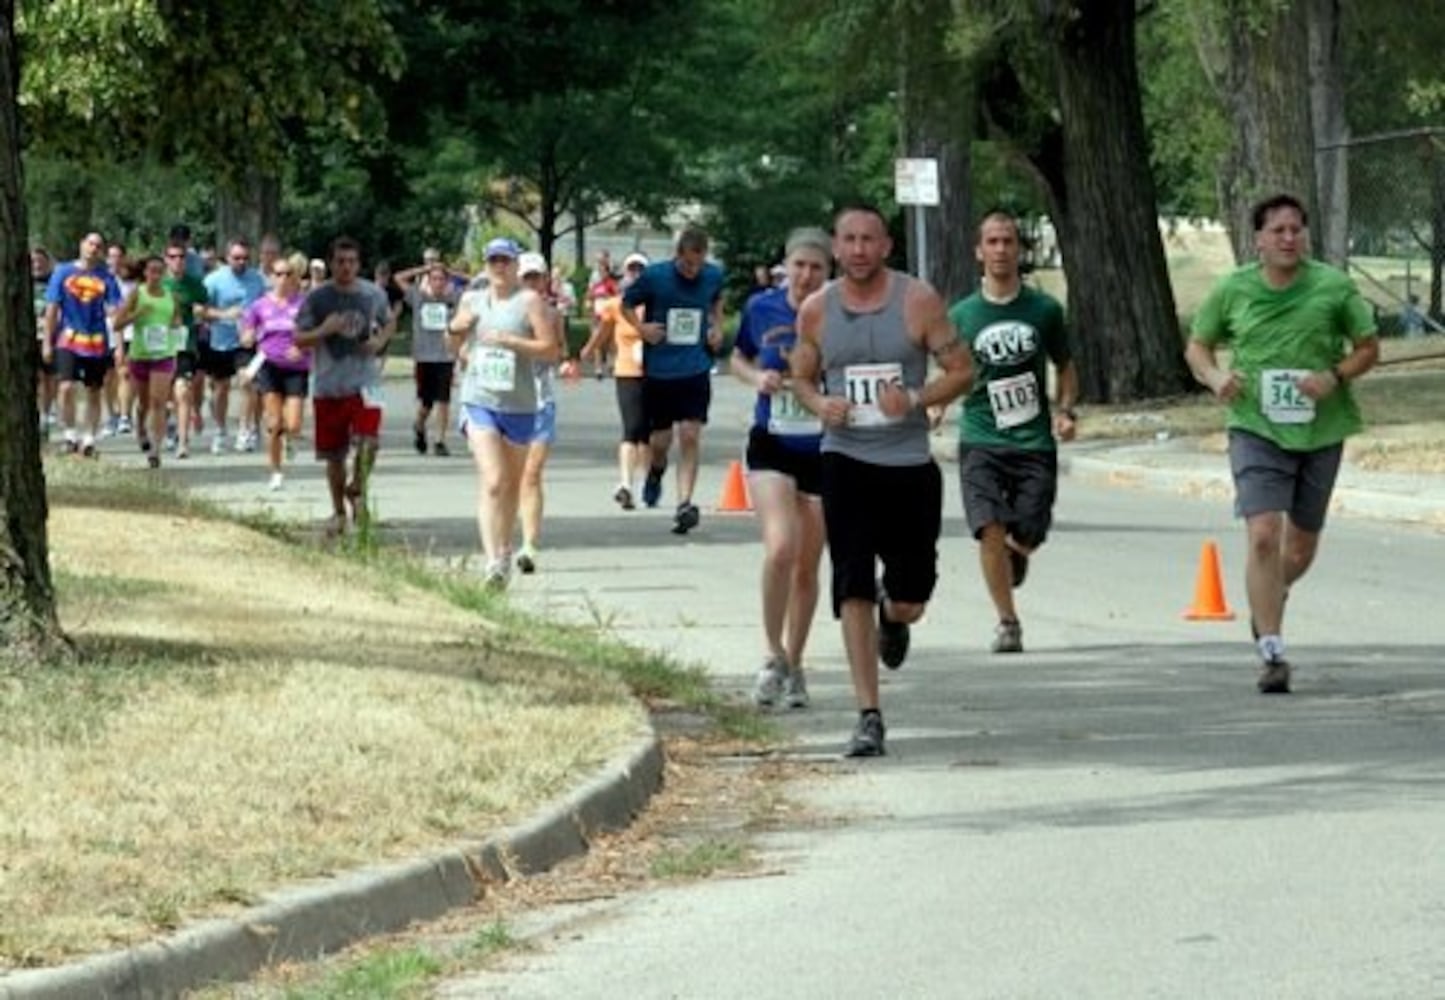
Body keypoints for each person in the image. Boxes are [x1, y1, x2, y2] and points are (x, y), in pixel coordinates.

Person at [791, 204, 972, 757]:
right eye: (849, 240)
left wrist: (915, 398)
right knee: (851, 581)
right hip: (845, 459)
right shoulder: (817, 311)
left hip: (907, 465)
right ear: (836, 249)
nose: (859, 249)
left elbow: (963, 369)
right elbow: (800, 376)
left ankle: (896, 615)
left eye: (869, 239)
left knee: (912, 594)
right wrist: (821, 402)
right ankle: (869, 714)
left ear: (886, 246)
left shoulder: (917, 301)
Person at [1185, 192, 1379, 695]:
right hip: (1255, 426)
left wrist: (1334, 375)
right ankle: (1271, 649)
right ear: (1258, 240)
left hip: (1321, 429)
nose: (1289, 238)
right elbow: (1197, 345)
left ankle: (1272, 593)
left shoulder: (1333, 287)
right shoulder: (1233, 290)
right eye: (1278, 231)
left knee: (1302, 543)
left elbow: (1368, 348)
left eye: (1297, 230)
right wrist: (1214, 377)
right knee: (1265, 534)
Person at [949, 210, 1079, 654]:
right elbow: (951, 371)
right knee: (988, 527)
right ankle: (1008, 621)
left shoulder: (1044, 310)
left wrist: (1065, 410)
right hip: (980, 437)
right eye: (993, 241)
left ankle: (1018, 552)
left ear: (1018, 250)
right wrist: (934, 407)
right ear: (979, 251)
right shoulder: (962, 315)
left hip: (1033, 441)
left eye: (1008, 241)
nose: (1001, 249)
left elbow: (1065, 365)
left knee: (1028, 530)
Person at [730, 228, 832, 710]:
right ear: (785, 267)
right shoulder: (761, 308)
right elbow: (737, 359)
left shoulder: (842, 312)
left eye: (817, 267)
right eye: (800, 266)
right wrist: (759, 377)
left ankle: (795, 660)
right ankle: (771, 654)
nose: (807, 276)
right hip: (772, 441)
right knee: (781, 548)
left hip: (825, 448)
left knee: (808, 566)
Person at [447, 237, 560, 588]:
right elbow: (453, 346)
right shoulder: (472, 300)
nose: (499, 266)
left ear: (514, 265)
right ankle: (493, 560)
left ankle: (506, 547)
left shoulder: (529, 302)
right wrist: (457, 328)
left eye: (505, 261)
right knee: (493, 479)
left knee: (510, 483)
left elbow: (550, 350)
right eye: (493, 260)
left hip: (521, 405)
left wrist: (514, 343)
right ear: (485, 264)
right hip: (479, 399)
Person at [620, 226, 725, 535]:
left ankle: (685, 504)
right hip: (660, 370)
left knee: (691, 434)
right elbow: (625, 304)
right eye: (688, 264)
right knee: (660, 442)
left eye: (699, 263)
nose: (693, 271)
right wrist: (642, 329)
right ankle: (655, 470)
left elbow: (717, 301)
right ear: (677, 255)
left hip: (695, 368)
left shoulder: (712, 275)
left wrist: (716, 327)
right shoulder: (655, 276)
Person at [294, 236, 395, 538]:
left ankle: (357, 487)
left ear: (359, 264)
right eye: (340, 262)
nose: (346, 267)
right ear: (331, 264)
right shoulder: (318, 298)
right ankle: (339, 512)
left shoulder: (372, 294)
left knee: (371, 441)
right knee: (334, 455)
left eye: (352, 262)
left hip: (367, 382)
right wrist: (324, 330)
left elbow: (389, 321)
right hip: (329, 384)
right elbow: (298, 338)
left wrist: (379, 341)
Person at [42, 232, 123, 457]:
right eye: (90, 243)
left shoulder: (106, 277)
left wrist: (119, 347)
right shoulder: (63, 272)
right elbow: (52, 309)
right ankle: (69, 433)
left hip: (96, 341)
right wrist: (47, 342)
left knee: (93, 390)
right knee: (65, 387)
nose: (93, 248)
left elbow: (115, 313)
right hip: (68, 338)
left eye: (98, 245)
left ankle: (89, 438)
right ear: (81, 245)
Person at [581, 252, 650, 508]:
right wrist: (587, 351)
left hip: (655, 374)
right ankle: (626, 484)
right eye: (632, 270)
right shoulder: (616, 305)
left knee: (648, 432)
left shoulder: (658, 305)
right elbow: (604, 332)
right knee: (631, 428)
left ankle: (647, 483)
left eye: (640, 270)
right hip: (627, 372)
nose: (635, 275)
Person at [516, 251, 568, 573]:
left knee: (532, 474)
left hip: (540, 402)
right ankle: (502, 541)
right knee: (507, 477)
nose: (533, 283)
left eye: (538, 277)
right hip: (508, 403)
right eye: (527, 278)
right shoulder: (500, 313)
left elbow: (558, 350)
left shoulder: (552, 314)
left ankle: (529, 546)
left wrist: (559, 357)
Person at [243, 252, 311, 490]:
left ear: (295, 277)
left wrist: (303, 348)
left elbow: (317, 335)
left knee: (292, 424)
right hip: (269, 365)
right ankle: (276, 471)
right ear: (271, 277)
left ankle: (291, 439)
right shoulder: (259, 305)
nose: (283, 278)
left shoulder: (304, 304)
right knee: (274, 423)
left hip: (296, 368)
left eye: (288, 274)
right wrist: (248, 337)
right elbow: (246, 334)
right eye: (278, 274)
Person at [111, 255, 183, 469]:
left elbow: (177, 320)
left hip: (164, 354)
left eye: (160, 272)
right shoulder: (137, 294)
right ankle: (141, 428)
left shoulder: (171, 295)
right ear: (145, 273)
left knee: (158, 402)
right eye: (152, 271)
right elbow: (117, 324)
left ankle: (156, 448)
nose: (155, 276)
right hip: (141, 355)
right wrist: (136, 315)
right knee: (143, 403)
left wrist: (175, 326)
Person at [200, 238, 266, 453]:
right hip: (220, 341)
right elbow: (200, 311)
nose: (241, 262)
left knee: (248, 382)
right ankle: (220, 429)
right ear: (227, 258)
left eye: (245, 258)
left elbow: (266, 310)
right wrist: (223, 314)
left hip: (245, 342)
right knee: (221, 388)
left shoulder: (257, 280)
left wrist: (256, 331)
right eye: (237, 258)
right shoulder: (213, 280)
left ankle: (245, 429)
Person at [396, 260, 461, 456]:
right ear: (428, 281)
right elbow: (398, 278)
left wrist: (451, 270)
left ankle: (440, 440)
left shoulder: (454, 298)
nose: (438, 282)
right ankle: (419, 425)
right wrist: (424, 268)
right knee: (426, 402)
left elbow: (477, 283)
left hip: (445, 356)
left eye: (442, 279)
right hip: (424, 356)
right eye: (434, 279)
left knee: (444, 399)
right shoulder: (418, 297)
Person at [162, 239, 208, 459]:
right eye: (173, 257)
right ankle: (164, 425)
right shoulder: (157, 283)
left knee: (183, 391)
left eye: (182, 257)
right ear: (165, 260)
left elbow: (205, 308)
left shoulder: (195, 284)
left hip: (184, 344)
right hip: (158, 346)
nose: (178, 261)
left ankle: (182, 442)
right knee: (160, 396)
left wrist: (203, 312)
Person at [31, 246, 55, 435]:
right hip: (29, 337)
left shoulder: (55, 282)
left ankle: (47, 414)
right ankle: (37, 413)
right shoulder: (22, 282)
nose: (37, 265)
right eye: (33, 261)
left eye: (40, 261)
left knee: (49, 377)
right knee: (35, 378)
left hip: (50, 336)